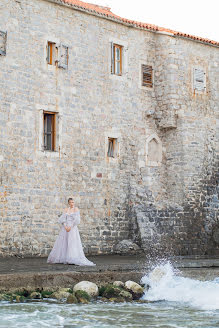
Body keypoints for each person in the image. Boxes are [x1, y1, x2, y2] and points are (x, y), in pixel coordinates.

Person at [47, 198, 96, 266]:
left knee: (72, 242)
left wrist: (70, 227)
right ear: (68, 203)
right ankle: (64, 257)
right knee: (64, 242)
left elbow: (76, 220)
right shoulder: (66, 209)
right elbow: (63, 219)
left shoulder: (76, 209)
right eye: (70, 202)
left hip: (72, 228)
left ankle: (71, 257)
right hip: (65, 228)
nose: (72, 204)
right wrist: (65, 226)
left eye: (73, 202)